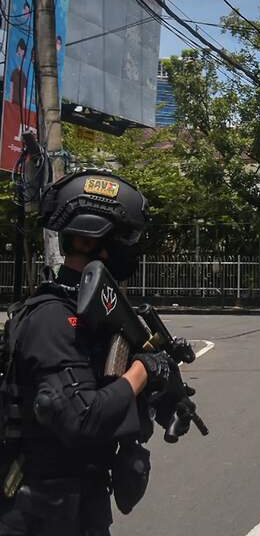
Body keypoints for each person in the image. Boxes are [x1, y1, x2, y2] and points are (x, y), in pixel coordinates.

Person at [0, 170, 179, 535]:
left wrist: (162, 392)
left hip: (80, 504)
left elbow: (110, 394)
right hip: (40, 513)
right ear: (91, 239)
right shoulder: (52, 318)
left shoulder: (93, 316)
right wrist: (142, 371)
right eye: (124, 238)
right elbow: (81, 418)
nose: (130, 250)